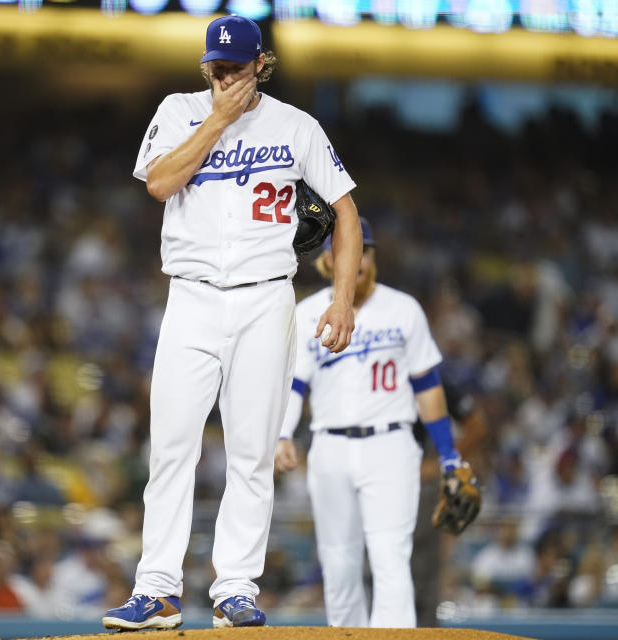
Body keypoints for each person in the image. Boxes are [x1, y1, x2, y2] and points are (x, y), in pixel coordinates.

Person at [102, 13, 362, 632]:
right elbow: (160, 183)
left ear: (260, 66)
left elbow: (346, 212)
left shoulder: (295, 125)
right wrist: (216, 120)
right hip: (190, 296)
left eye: (235, 69)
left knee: (250, 454)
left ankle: (235, 589)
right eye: (214, 68)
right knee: (170, 448)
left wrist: (343, 297)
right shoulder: (177, 109)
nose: (223, 77)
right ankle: (157, 590)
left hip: (266, 298)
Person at [276, 219, 471, 628]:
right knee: (339, 561)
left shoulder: (402, 309)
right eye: (347, 251)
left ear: (374, 257)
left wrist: (450, 456)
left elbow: (428, 386)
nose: (357, 259)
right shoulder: (308, 313)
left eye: (364, 250)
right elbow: (294, 384)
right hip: (329, 446)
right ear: (328, 262)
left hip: (391, 445)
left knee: (389, 556)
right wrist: (282, 434)